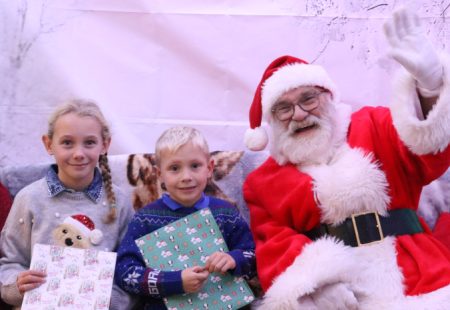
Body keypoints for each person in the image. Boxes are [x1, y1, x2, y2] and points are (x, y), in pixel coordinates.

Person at [243, 8, 450, 309]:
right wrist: (316, 284)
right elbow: (274, 244)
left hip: (417, 273)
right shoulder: (262, 183)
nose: (299, 114)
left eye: (308, 99)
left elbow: (427, 147)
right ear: (271, 123)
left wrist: (430, 90)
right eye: (284, 108)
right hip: (342, 291)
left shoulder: (373, 124)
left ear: (328, 97)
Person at [0, 99, 136, 309]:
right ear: (48, 144)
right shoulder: (29, 198)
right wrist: (16, 285)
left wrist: (110, 301)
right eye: (67, 143)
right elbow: (9, 263)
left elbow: (130, 269)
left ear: (105, 144)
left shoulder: (119, 203)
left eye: (89, 142)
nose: (79, 153)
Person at [115, 126, 256, 309]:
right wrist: (174, 281)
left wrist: (234, 259)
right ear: (160, 175)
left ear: (209, 168)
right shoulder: (145, 219)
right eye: (174, 168)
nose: (186, 177)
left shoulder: (226, 212)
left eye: (195, 166)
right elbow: (125, 272)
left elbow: (254, 256)